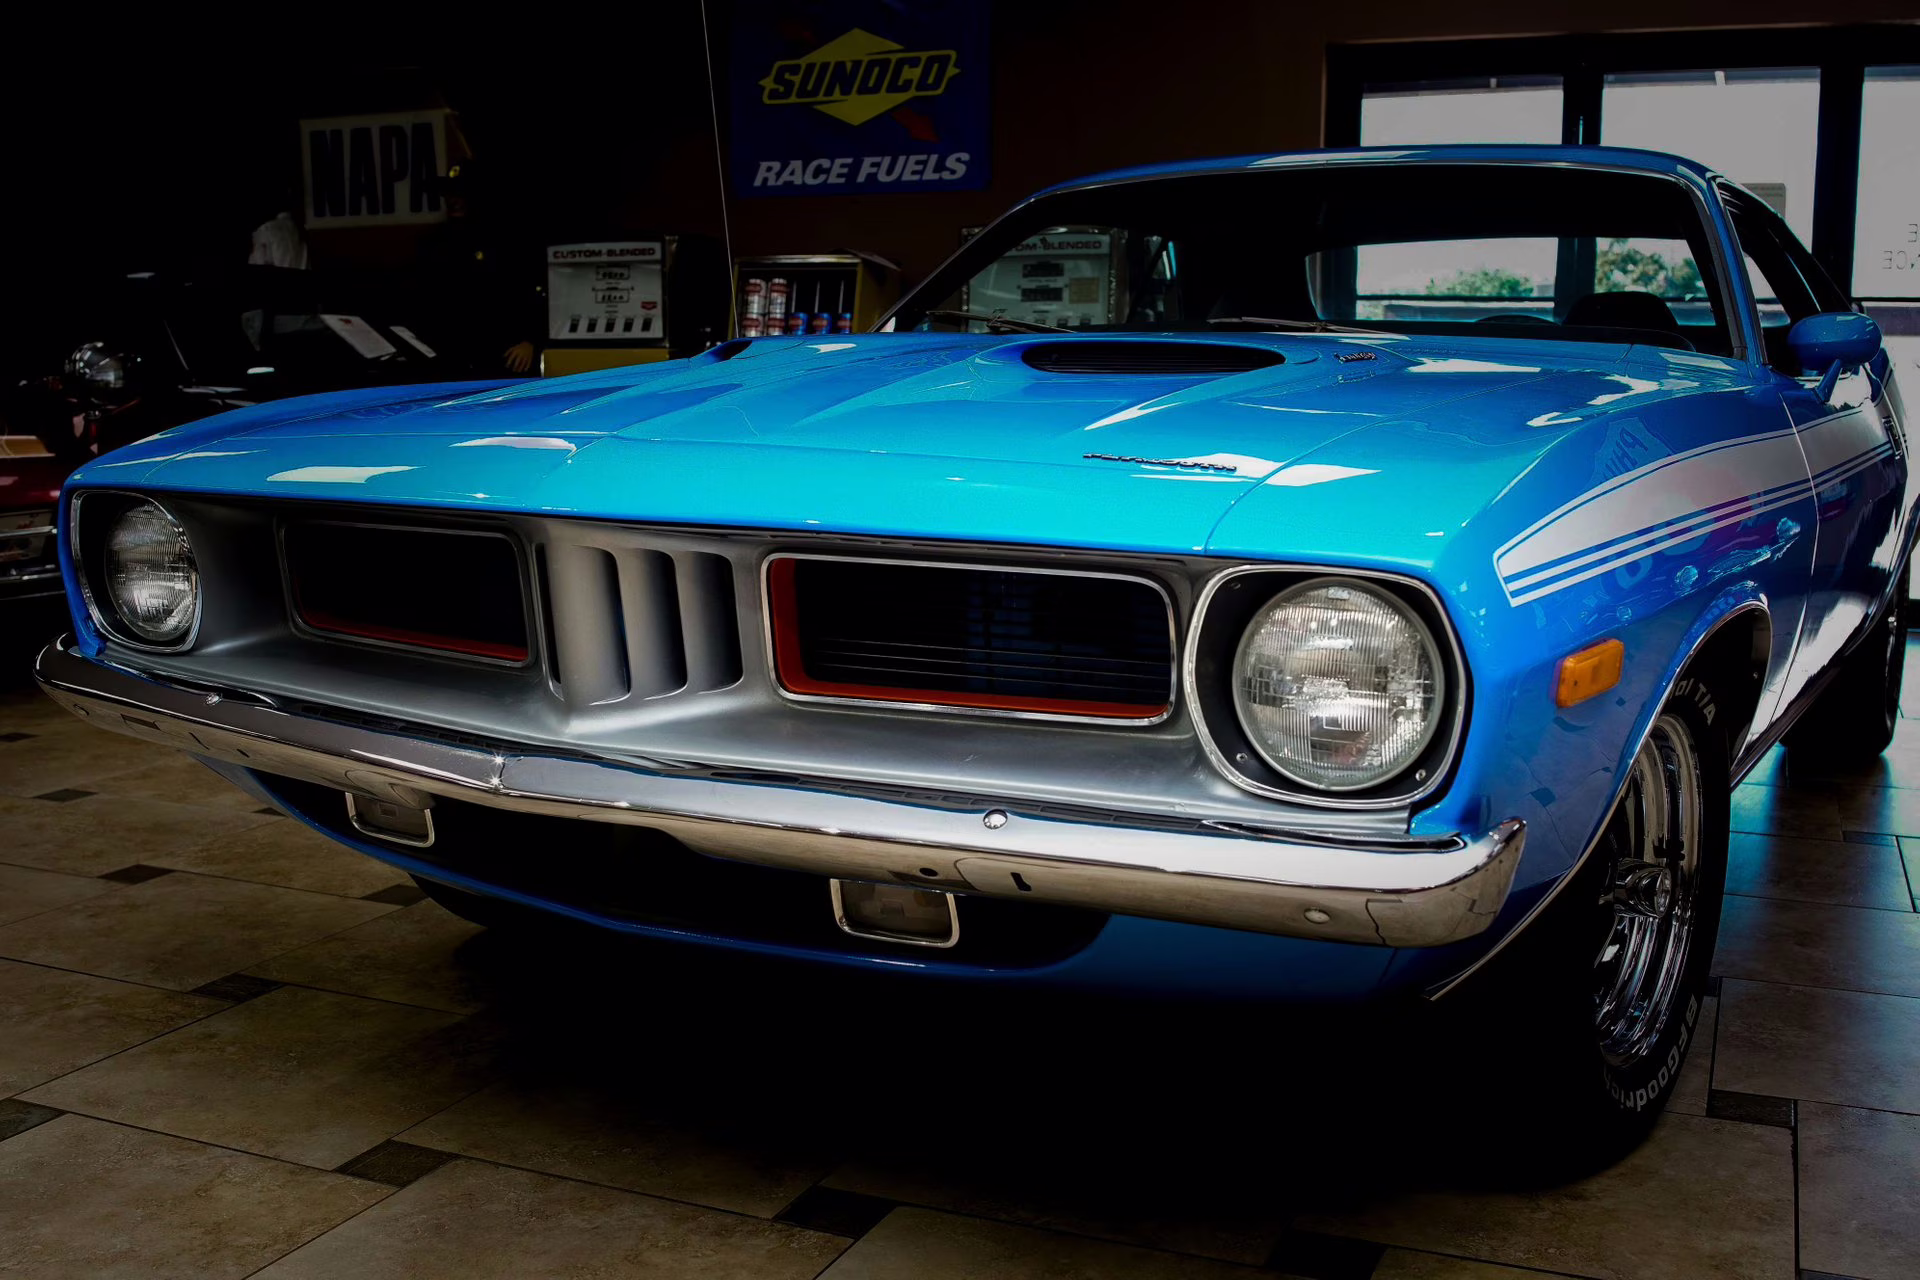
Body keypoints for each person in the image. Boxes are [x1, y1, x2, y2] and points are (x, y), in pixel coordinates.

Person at [415, 160, 543, 376]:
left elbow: (535, 295)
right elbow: (427, 301)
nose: (453, 200)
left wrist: (532, 342)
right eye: (449, 194)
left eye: (461, 194)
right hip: (454, 362)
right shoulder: (435, 244)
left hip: (506, 360)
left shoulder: (510, 240)